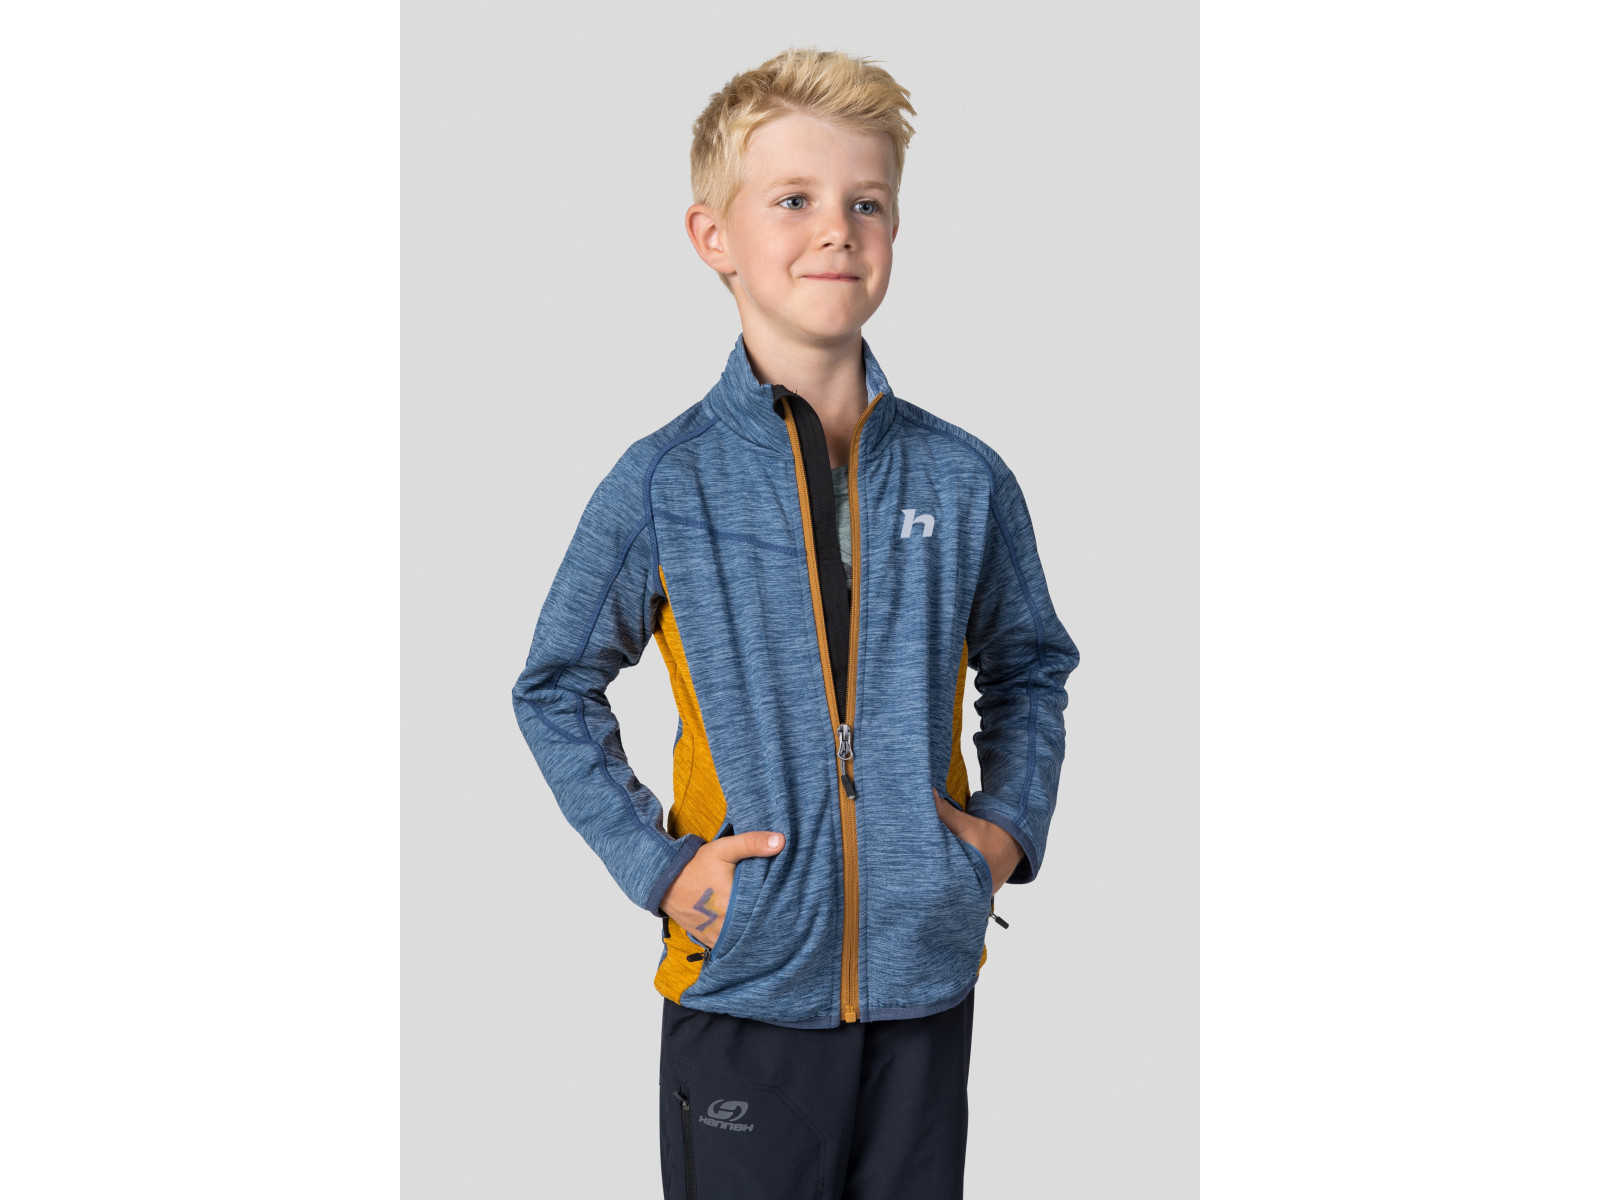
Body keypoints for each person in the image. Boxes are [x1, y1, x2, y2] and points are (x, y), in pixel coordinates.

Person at [512, 46, 1080, 1200]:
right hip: (744, 986)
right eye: (793, 200)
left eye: (865, 202)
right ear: (712, 236)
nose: (836, 230)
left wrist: (1001, 834)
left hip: (923, 985)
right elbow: (554, 686)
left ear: (895, 228)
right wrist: (660, 869)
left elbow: (1029, 668)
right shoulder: (666, 482)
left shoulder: (963, 478)